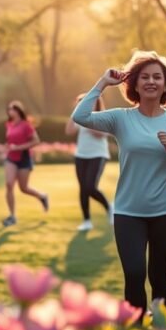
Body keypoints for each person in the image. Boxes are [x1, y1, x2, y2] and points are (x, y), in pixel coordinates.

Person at [72, 50, 166, 320]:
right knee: (133, 273)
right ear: (135, 83)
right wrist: (102, 83)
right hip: (129, 212)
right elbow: (80, 117)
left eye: (157, 77)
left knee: (159, 277)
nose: (151, 81)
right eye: (145, 77)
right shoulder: (121, 118)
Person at [65, 94, 112, 231]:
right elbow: (68, 131)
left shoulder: (101, 117)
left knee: (90, 187)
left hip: (98, 155)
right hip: (81, 156)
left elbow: (101, 134)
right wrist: (75, 114)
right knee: (83, 189)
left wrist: (86, 119)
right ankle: (86, 221)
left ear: (95, 103)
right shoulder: (79, 118)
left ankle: (109, 208)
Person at [2, 101, 49, 227]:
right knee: (9, 184)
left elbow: (36, 141)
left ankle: (42, 196)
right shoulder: (9, 124)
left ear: (18, 111)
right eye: (8, 109)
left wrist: (18, 147)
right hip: (11, 158)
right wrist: (8, 147)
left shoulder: (26, 125)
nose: (9, 111)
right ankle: (12, 216)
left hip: (24, 159)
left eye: (11, 109)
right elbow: (10, 140)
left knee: (24, 188)